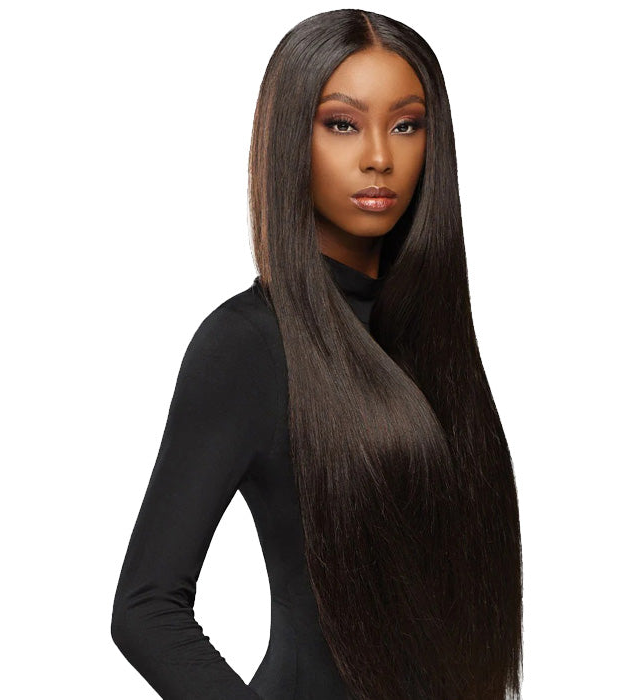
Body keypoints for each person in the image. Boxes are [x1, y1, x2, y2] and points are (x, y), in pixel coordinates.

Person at [111, 9, 523, 700]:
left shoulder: (431, 334)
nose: (379, 156)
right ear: (290, 139)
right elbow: (145, 609)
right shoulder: (248, 345)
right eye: (342, 124)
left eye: (406, 125)